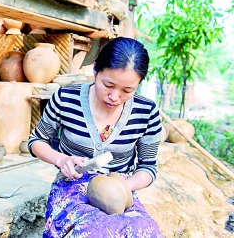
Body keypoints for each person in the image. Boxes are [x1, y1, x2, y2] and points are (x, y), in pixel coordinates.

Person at [28, 37, 164, 237]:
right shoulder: (65, 98)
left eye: (127, 90)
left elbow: (148, 167)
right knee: (92, 231)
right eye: (108, 85)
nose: (115, 97)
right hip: (72, 186)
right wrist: (61, 159)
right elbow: (36, 141)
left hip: (122, 189)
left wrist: (123, 187)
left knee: (145, 231)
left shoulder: (147, 112)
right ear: (95, 70)